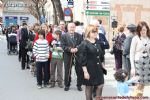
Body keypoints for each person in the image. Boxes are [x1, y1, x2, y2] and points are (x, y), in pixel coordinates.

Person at [79, 25, 105, 100]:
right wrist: (85, 72)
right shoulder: (84, 43)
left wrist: (102, 64)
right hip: (89, 68)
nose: (95, 33)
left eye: (96, 31)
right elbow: (82, 59)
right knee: (89, 87)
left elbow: (101, 54)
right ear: (88, 32)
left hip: (98, 68)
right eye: (93, 31)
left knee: (100, 85)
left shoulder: (97, 41)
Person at [61, 22, 83, 91]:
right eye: (70, 27)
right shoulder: (64, 36)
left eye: (73, 27)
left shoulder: (79, 35)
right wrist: (70, 49)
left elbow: (82, 44)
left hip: (78, 55)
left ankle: (79, 85)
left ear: (75, 28)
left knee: (79, 70)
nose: (72, 28)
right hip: (68, 55)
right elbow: (63, 46)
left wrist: (77, 48)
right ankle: (67, 85)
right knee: (67, 70)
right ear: (67, 28)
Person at [130, 21, 150, 96]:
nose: (143, 31)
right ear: (138, 30)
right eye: (141, 30)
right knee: (138, 84)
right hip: (138, 63)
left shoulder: (148, 39)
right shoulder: (135, 38)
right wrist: (132, 67)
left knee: (143, 85)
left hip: (147, 64)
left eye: (144, 29)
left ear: (147, 29)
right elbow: (131, 53)